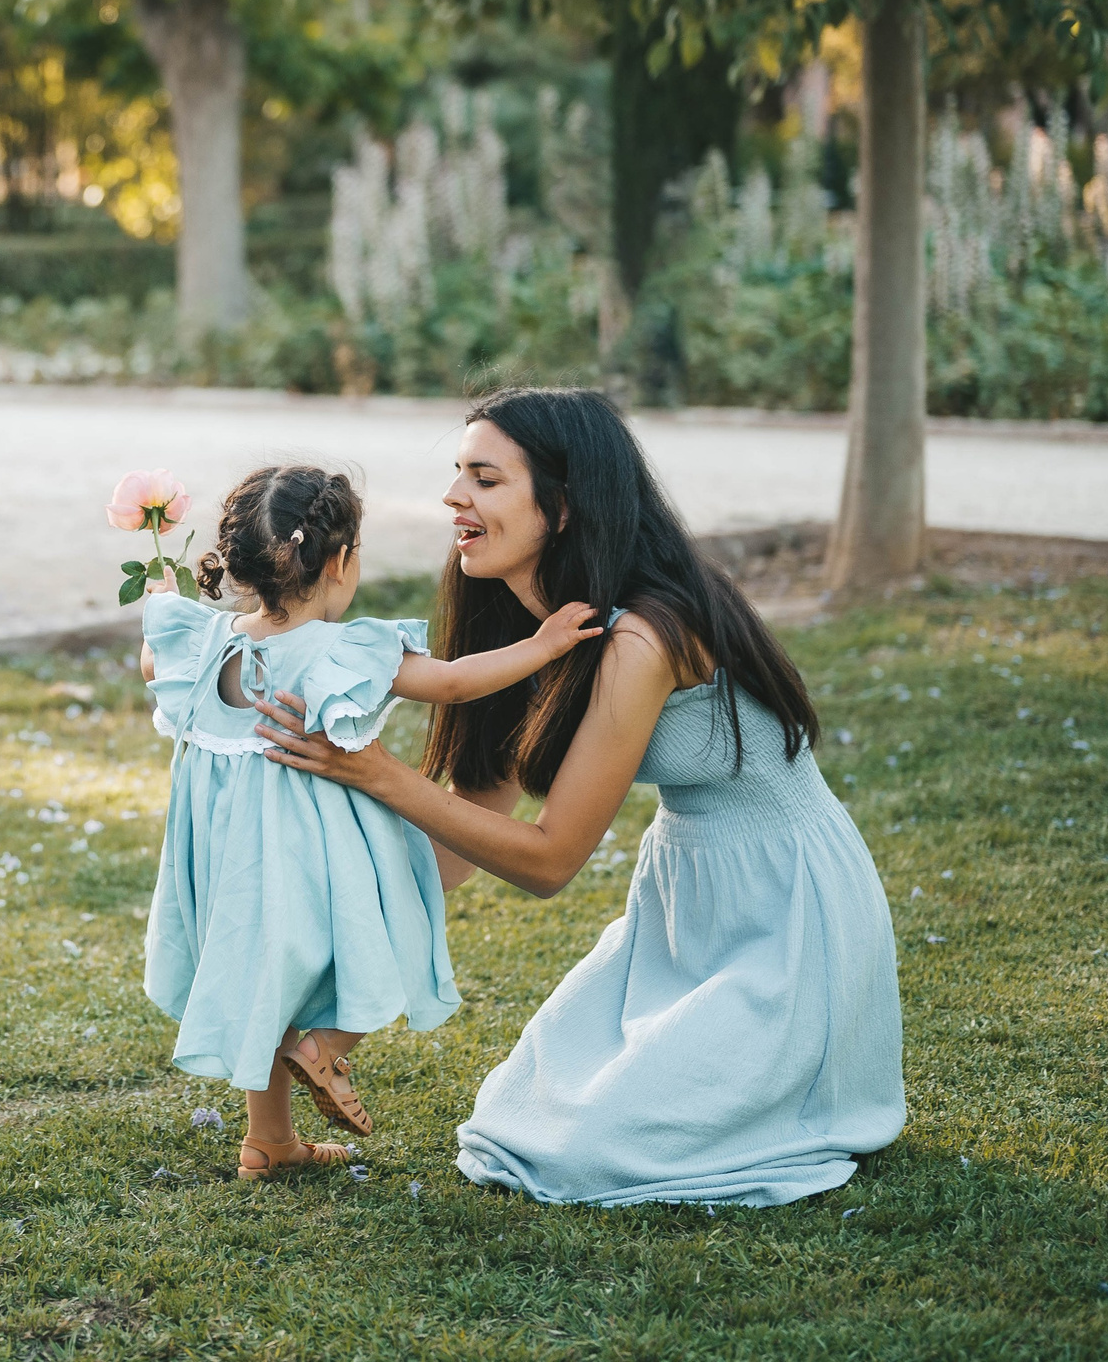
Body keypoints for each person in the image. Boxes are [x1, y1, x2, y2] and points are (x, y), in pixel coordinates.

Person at [252, 389, 904, 1206]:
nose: (454, 496)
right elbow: (472, 821)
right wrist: (327, 900)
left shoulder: (646, 634)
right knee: (512, 1127)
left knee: (587, 1154)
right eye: (458, 473)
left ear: (561, 507)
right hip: (681, 908)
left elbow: (552, 858)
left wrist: (377, 772)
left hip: (791, 916)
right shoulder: (512, 624)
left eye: (485, 479)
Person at [138, 465, 601, 1180]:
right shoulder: (336, 649)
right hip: (316, 857)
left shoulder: (201, 641)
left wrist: (158, 591)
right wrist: (542, 646)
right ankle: (325, 1048)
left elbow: (150, 660)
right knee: (387, 926)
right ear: (341, 560)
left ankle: (268, 1141)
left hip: (227, 866)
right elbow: (450, 680)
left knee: (267, 983)